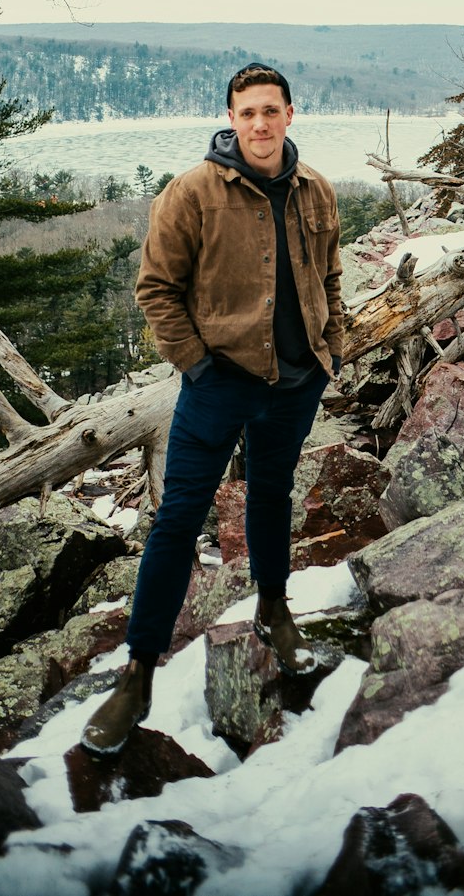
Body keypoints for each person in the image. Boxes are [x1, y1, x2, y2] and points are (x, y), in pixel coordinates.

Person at [80, 63, 343, 757]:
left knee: (272, 493)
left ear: (290, 113)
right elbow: (156, 287)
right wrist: (196, 364)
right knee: (177, 519)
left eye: (270, 110)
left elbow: (331, 274)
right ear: (230, 118)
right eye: (246, 112)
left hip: (294, 382)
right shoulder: (192, 193)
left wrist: (330, 348)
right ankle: (137, 672)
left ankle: (273, 608)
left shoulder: (315, 189)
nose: (258, 123)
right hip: (217, 381)